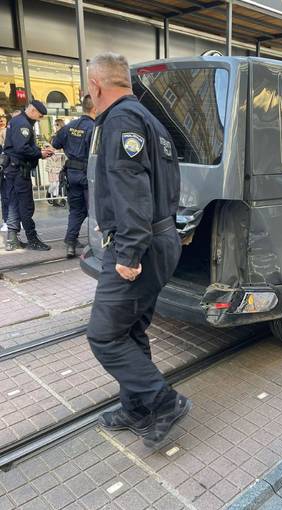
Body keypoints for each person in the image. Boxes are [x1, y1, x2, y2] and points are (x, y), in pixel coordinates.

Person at [86, 53, 188, 448]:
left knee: (104, 336)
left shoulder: (120, 121)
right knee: (129, 330)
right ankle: (137, 409)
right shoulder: (151, 120)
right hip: (158, 239)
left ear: (96, 85)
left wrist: (128, 254)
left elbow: (133, 192)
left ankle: (164, 403)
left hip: (138, 248)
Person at [3, 100, 53, 251]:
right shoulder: (23, 124)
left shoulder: (17, 121)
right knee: (25, 206)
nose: (40, 119)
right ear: (32, 110)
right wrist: (40, 153)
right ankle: (32, 239)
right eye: (40, 115)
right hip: (18, 170)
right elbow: (22, 148)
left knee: (14, 204)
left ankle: (12, 240)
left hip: (13, 169)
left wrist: (38, 151)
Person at [52, 95, 96, 258]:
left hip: (71, 174)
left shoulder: (69, 126)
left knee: (76, 210)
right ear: (95, 108)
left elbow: (56, 143)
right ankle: (96, 245)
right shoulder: (94, 128)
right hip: (88, 175)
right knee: (94, 211)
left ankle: (71, 242)